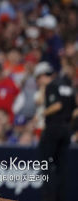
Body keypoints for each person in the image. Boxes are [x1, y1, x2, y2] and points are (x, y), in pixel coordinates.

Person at [37, 56, 76, 201]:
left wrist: (42, 113)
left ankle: (48, 197)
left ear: (44, 76)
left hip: (53, 128)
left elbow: (57, 105)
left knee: (46, 164)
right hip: (66, 129)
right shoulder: (68, 86)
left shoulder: (52, 85)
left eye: (39, 78)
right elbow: (74, 110)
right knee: (61, 167)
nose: (39, 81)